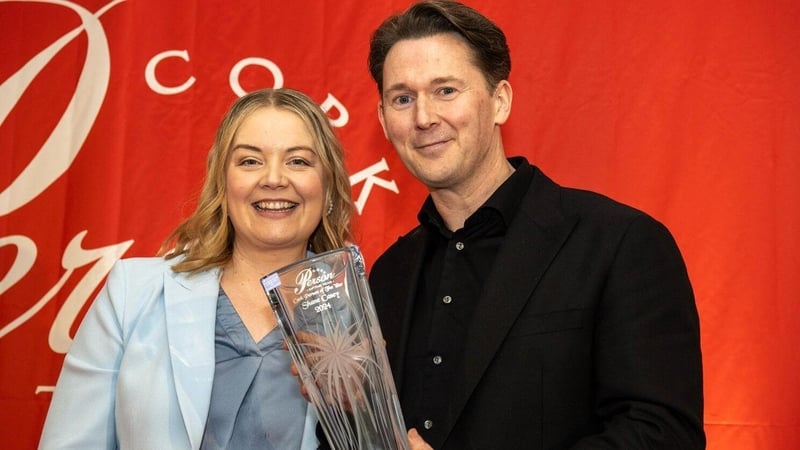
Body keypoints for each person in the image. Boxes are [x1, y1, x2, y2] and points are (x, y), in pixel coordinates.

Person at [366, 1, 705, 449]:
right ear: (384, 120)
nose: (424, 117)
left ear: (500, 101)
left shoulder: (619, 243)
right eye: (403, 98)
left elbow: (663, 435)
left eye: (446, 90)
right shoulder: (388, 274)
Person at [38, 88, 355, 450]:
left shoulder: (357, 315)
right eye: (250, 161)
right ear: (222, 182)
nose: (274, 178)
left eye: (298, 161)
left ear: (328, 185)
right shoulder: (132, 292)